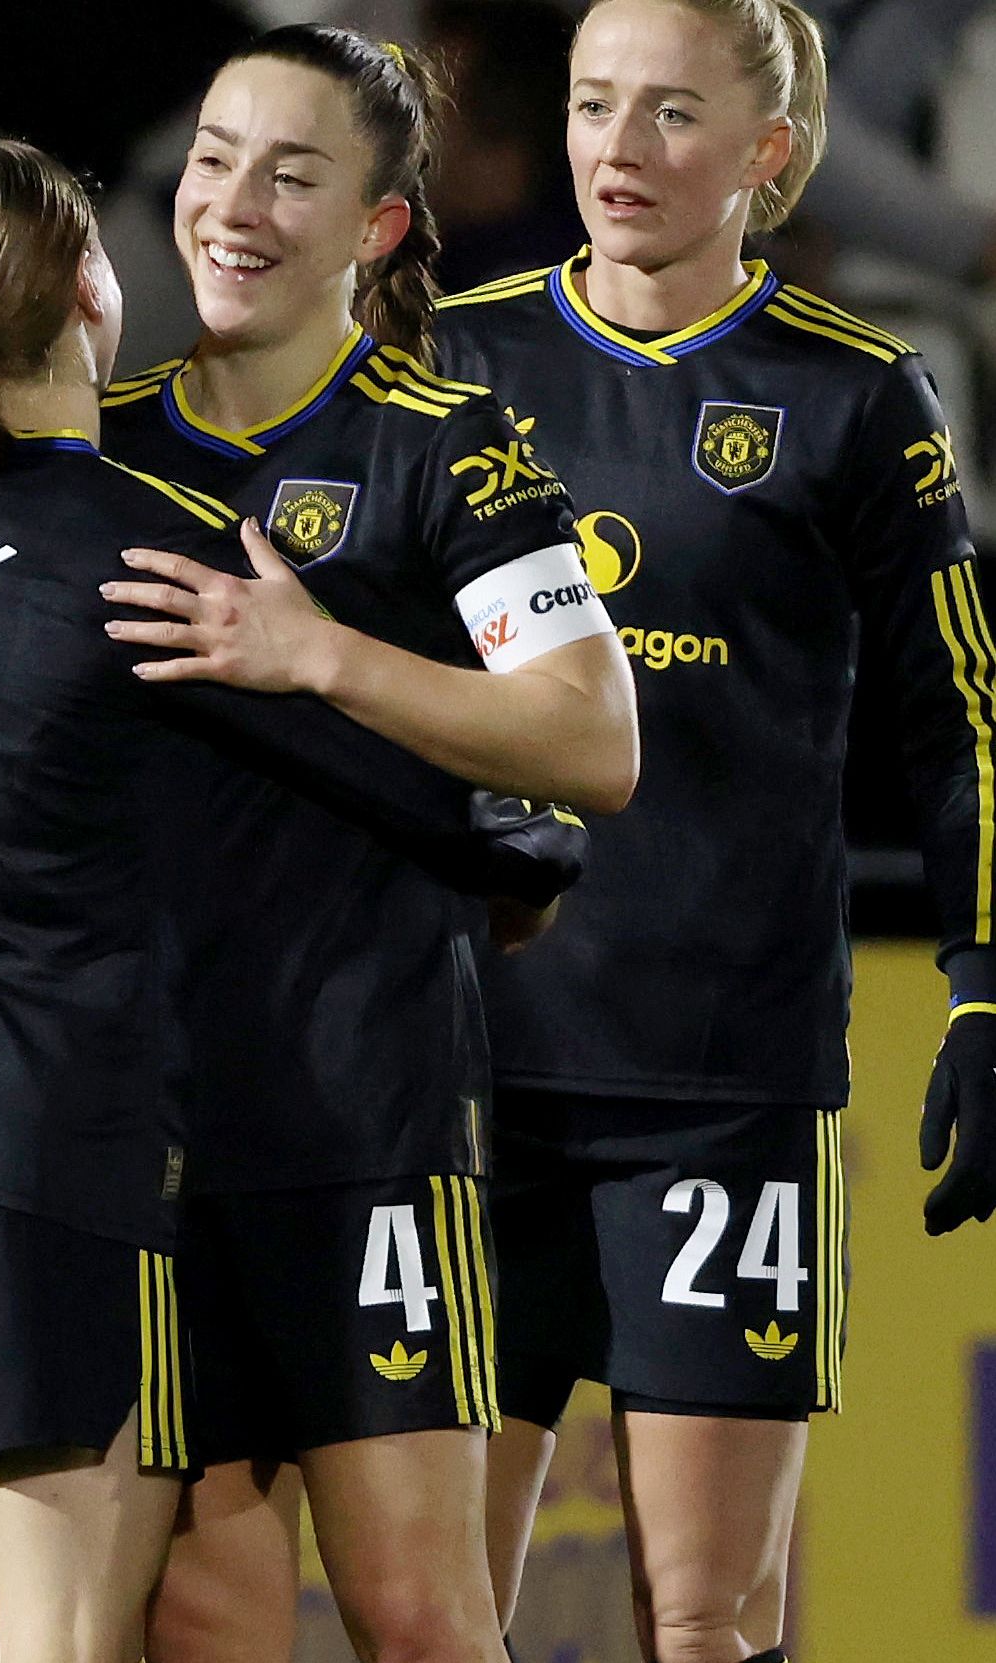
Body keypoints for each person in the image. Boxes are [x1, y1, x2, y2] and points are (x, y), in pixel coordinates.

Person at [0, 136, 588, 1663]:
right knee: (67, 1641)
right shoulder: (144, 546)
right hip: (37, 1155)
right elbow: (409, 778)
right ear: (85, 284)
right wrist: (525, 845)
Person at [416, 3, 996, 1657]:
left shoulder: (856, 393)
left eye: (672, 112)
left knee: (701, 1620)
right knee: (428, 1615)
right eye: (595, 103)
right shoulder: (450, 361)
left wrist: (984, 980)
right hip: (471, 1069)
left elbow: (959, 713)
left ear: (771, 152)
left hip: (723, 1082)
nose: (619, 147)